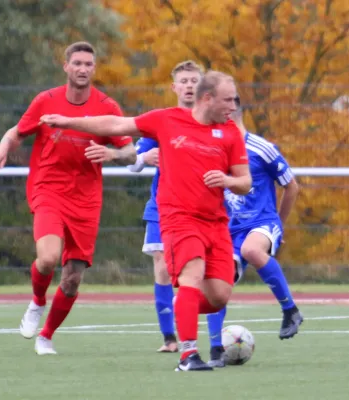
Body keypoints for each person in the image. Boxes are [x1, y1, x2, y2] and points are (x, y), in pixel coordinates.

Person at [40, 70, 252, 371]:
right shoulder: (167, 119)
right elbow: (114, 123)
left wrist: (228, 180)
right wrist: (67, 121)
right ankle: (188, 355)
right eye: (228, 100)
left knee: (218, 296)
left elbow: (245, 182)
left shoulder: (229, 132)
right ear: (207, 99)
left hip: (216, 222)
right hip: (178, 217)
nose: (233, 106)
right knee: (192, 273)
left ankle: (183, 307)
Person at [0, 41, 136, 355]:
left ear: (94, 69)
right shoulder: (46, 100)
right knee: (49, 258)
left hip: (86, 199)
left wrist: (110, 153)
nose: (82, 69)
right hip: (48, 189)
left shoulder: (107, 106)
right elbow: (18, 131)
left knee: (72, 279)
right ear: (66, 66)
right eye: (77, 63)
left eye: (88, 64)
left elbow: (130, 150)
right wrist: (1, 147)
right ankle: (37, 301)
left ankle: (46, 336)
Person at [205, 95, 302, 368]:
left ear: (231, 111)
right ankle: (215, 350)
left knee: (251, 249)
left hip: (262, 222)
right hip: (229, 230)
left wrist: (278, 225)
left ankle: (290, 310)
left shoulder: (261, 148)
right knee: (217, 283)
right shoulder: (214, 149)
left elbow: (291, 186)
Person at [126, 60, 204, 353]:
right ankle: (170, 338)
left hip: (201, 208)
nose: (188, 86)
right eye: (183, 81)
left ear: (202, 85)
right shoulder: (162, 123)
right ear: (174, 87)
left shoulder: (211, 123)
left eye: (194, 80)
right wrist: (143, 159)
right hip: (162, 207)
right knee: (162, 266)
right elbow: (132, 162)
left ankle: (210, 337)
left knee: (198, 273)